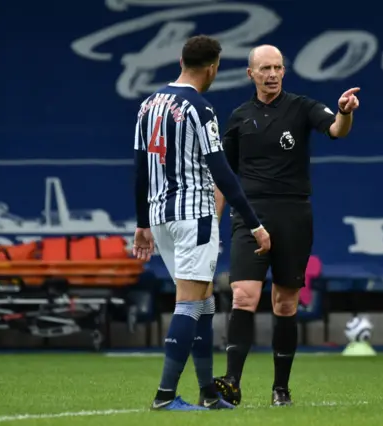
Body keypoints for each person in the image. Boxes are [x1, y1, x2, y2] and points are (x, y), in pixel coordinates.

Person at [212, 44, 360, 407]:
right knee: (244, 295)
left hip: (294, 214)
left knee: (285, 304)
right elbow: (223, 177)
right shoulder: (239, 117)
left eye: (278, 67)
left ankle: (281, 388)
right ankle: (232, 381)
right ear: (251, 74)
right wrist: (212, 225)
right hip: (250, 215)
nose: (273, 74)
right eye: (265, 68)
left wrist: (344, 112)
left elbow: (337, 130)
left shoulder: (302, 106)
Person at [132, 34, 271, 412]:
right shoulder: (200, 108)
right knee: (190, 304)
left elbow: (141, 168)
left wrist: (142, 221)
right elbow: (222, 173)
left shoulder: (149, 105)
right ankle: (164, 396)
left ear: (181, 60)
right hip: (194, 216)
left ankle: (208, 392)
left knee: (204, 301)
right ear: (212, 67)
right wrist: (254, 223)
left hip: (161, 217)